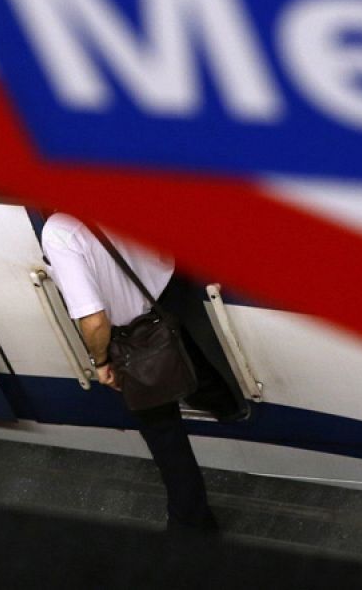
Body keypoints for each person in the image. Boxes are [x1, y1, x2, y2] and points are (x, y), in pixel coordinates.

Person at [41, 213, 247, 534]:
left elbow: (94, 320)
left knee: (164, 435)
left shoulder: (60, 231)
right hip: (167, 296)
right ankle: (229, 409)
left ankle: (191, 526)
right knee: (190, 356)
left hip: (132, 339)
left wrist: (100, 362)